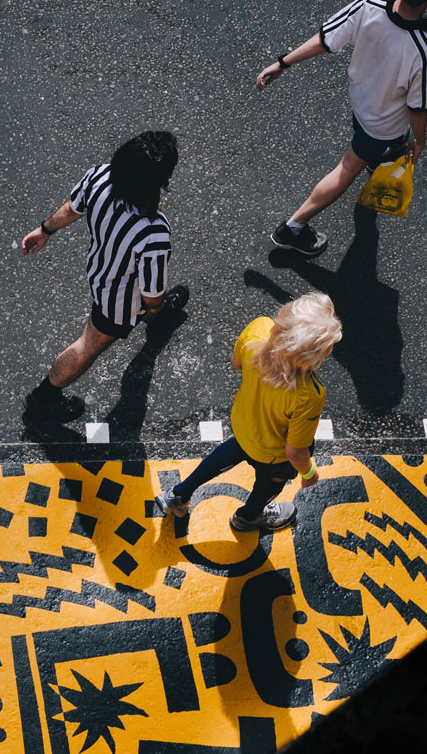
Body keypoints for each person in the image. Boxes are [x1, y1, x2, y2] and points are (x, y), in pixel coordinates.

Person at [257, 0, 427, 256]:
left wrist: (282, 63)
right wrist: (420, 141)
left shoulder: (370, 3)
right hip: (381, 127)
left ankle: (375, 159)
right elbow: (418, 107)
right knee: (346, 170)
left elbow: (325, 39)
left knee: (367, 149)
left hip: (360, 102)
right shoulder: (426, 53)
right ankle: (292, 227)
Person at [21, 131, 189, 424]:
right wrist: (155, 308)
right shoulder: (152, 232)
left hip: (101, 271)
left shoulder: (100, 176)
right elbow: (151, 293)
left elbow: (73, 208)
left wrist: (45, 230)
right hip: (120, 302)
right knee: (89, 344)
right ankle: (44, 398)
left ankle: (154, 320)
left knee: (132, 317)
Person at [156, 292, 342, 530]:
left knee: (226, 454)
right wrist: (309, 473)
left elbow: (236, 363)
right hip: (273, 455)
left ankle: (177, 495)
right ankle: (248, 517)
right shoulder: (309, 394)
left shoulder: (259, 329)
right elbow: (295, 451)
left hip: (244, 424)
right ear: (311, 357)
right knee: (268, 486)